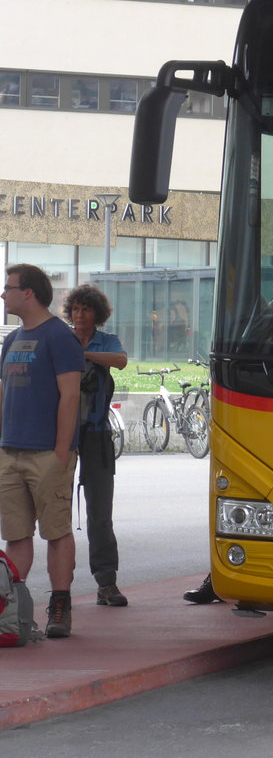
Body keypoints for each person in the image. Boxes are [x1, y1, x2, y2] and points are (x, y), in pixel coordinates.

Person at [0, 263, 84, 638]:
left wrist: (61, 452)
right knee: (16, 535)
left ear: (28, 293)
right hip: (10, 451)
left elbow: (70, 395)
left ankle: (60, 606)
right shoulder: (11, 339)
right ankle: (13, 609)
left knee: (55, 531)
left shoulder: (59, 337)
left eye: (8, 287)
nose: (3, 294)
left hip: (48, 454)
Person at [63, 283, 129, 608]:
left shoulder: (107, 342)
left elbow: (120, 361)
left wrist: (84, 354)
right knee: (57, 512)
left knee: (100, 513)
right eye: (75, 308)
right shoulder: (60, 339)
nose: (79, 314)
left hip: (97, 435)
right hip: (62, 434)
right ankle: (61, 590)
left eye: (85, 308)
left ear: (96, 313)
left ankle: (107, 583)